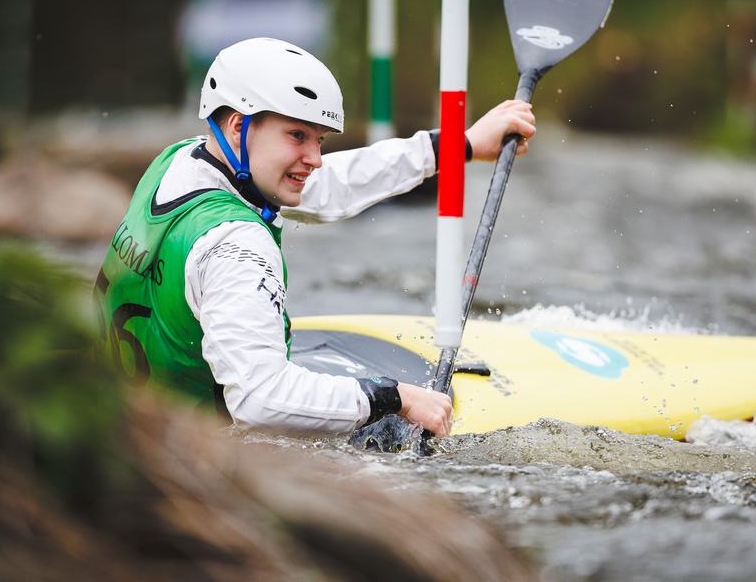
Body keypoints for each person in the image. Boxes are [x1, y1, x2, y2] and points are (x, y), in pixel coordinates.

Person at [95, 38, 535, 438]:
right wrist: (394, 396)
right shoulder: (237, 244)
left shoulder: (177, 163)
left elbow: (331, 186)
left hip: (115, 421)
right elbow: (261, 400)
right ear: (236, 126)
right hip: (188, 462)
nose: (315, 159)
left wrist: (458, 146)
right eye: (297, 135)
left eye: (319, 140)